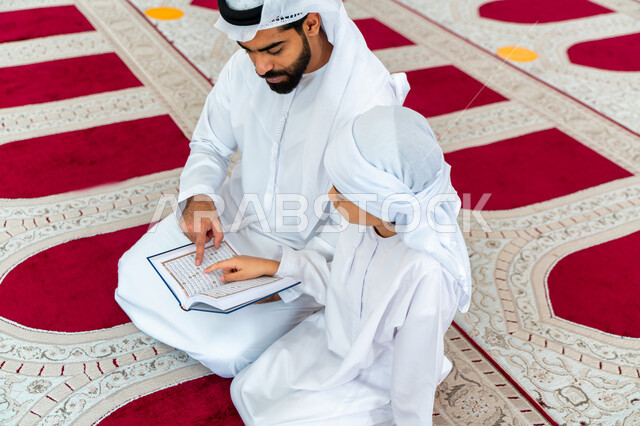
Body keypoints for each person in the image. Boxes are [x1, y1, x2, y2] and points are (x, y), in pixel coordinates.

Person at [115, 0, 409, 378]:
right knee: (132, 273)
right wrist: (200, 197)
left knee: (227, 351)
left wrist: (281, 277)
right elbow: (210, 144)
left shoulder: (366, 100)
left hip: (307, 255)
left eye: (273, 50)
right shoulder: (248, 67)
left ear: (312, 25)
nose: (260, 67)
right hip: (234, 222)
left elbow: (359, 226)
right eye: (249, 51)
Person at [212, 105, 472, 425]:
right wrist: (272, 266)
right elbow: (343, 282)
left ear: (380, 201)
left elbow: (413, 375)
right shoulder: (365, 221)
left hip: (377, 374)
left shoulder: (425, 272)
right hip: (334, 340)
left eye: (343, 191)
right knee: (248, 388)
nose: (332, 196)